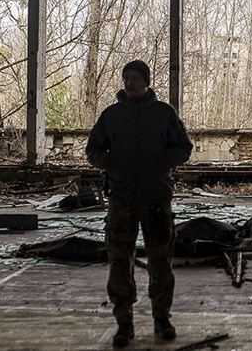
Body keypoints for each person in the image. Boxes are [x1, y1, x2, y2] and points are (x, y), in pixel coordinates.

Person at [86, 60, 193, 347]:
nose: (129, 83)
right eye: (125, 78)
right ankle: (125, 324)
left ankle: (162, 319)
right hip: (121, 199)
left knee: (161, 263)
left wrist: (160, 163)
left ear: (146, 81)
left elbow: (184, 147)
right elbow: (92, 149)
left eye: (134, 78)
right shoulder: (112, 116)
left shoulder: (163, 114)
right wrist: (111, 164)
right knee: (119, 263)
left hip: (156, 199)